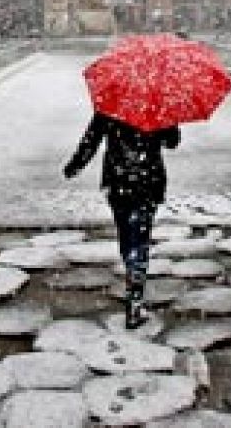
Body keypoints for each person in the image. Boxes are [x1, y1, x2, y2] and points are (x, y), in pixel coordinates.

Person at [63, 113, 181, 328]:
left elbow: (92, 138)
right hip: (148, 181)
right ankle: (135, 292)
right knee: (141, 237)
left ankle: (132, 273)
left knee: (126, 235)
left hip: (118, 181)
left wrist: (76, 164)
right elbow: (172, 142)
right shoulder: (157, 107)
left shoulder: (110, 107)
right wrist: (165, 123)